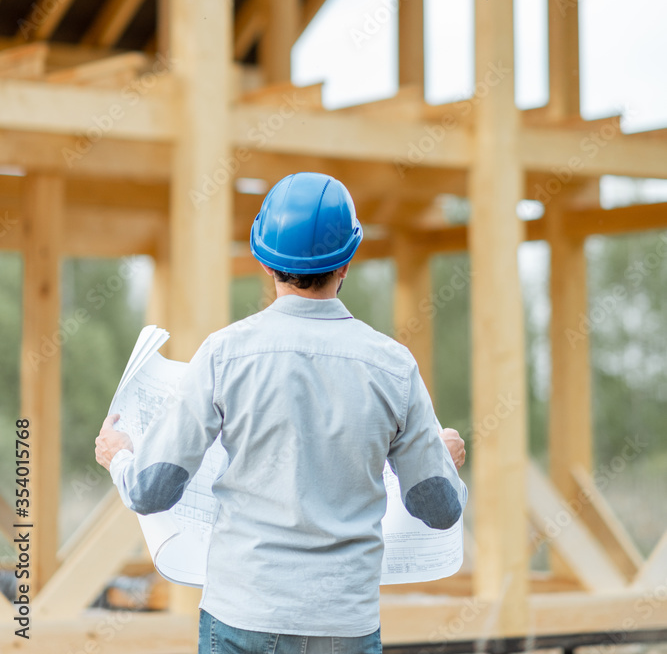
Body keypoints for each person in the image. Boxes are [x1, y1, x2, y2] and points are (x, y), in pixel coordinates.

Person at [96, 172, 467, 654]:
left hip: (242, 617)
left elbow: (150, 492)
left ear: (265, 262)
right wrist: (440, 458)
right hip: (344, 627)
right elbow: (439, 509)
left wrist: (120, 456)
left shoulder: (224, 355)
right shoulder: (393, 366)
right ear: (347, 262)